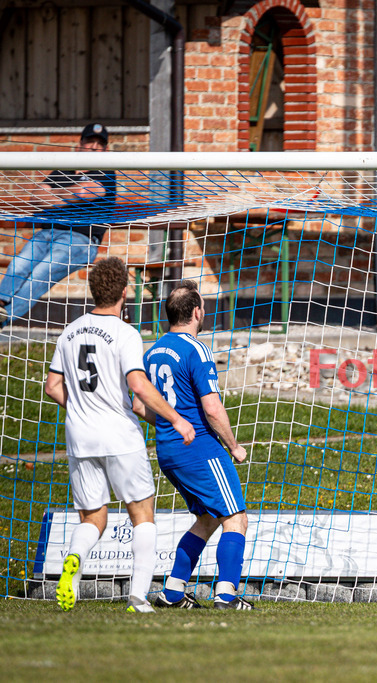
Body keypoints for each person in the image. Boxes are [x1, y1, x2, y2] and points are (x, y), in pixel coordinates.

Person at [44, 257, 195, 613]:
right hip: (119, 435)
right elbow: (138, 384)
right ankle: (138, 598)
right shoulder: (125, 333)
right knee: (142, 515)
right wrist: (175, 419)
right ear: (125, 292)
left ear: (92, 290)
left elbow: (52, 386)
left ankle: (74, 559)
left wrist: (83, 407)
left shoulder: (70, 330)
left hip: (79, 436)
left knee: (93, 517)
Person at [136, 280, 252, 610]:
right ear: (197, 312)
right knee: (236, 518)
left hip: (168, 451)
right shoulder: (196, 349)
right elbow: (212, 408)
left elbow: (138, 405)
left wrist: (172, 425)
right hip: (200, 449)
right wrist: (233, 446)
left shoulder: (152, 352)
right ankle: (226, 595)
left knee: (207, 518)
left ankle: (173, 592)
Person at [0, 123, 117, 328]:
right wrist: (70, 196)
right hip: (47, 232)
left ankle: (3, 319)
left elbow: (84, 193)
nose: (94, 147)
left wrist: (55, 195)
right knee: (19, 265)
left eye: (100, 144)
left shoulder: (105, 172)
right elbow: (37, 196)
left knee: (39, 276)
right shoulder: (63, 169)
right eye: (90, 141)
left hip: (80, 240)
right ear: (80, 145)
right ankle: (1, 303)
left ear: (105, 150)